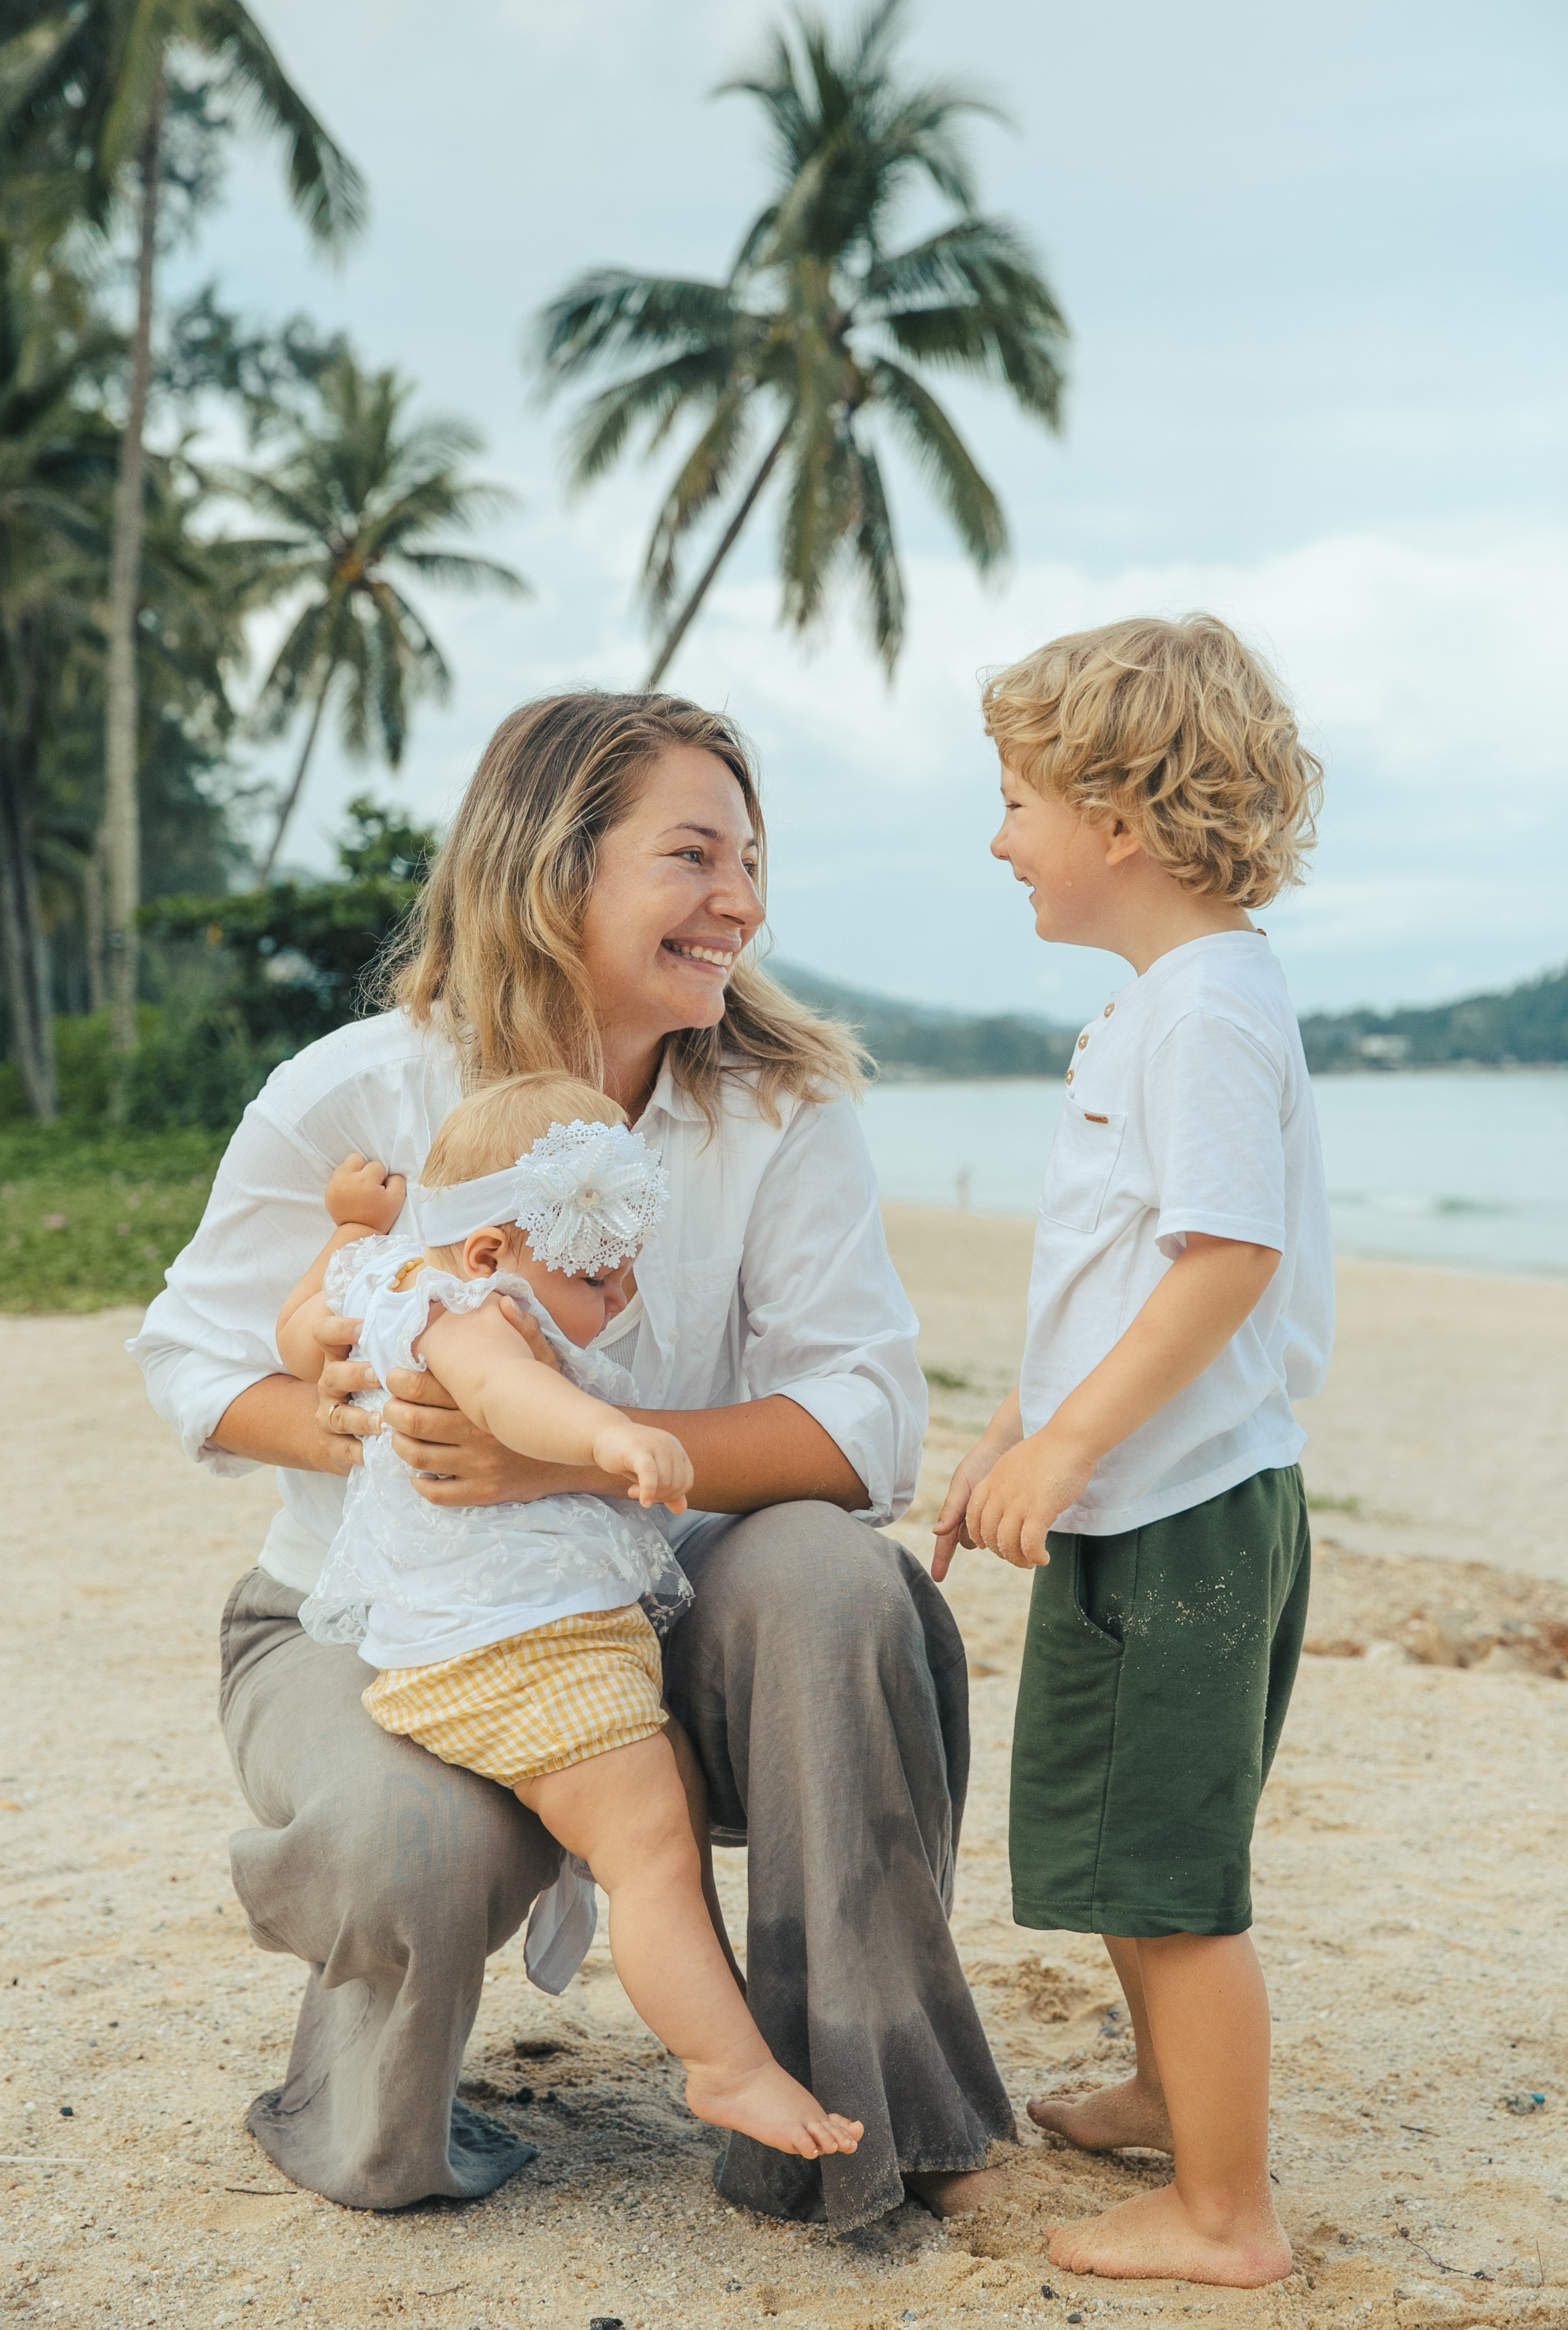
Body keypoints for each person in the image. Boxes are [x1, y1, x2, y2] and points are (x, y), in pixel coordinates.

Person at [131, 690, 1014, 2228]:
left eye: (749, 858)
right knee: (410, 1838)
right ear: (553, 869)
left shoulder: (777, 1109)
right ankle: (374, 2112)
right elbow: (194, 1362)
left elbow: (865, 1420)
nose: (738, 898)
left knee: (834, 1580)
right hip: (380, 1627)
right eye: (692, 854)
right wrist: (361, 1414)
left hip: (666, 1614)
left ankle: (860, 2116)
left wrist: (580, 1461)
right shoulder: (354, 1093)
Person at [933, 615, 1333, 2287]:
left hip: (1184, 1511)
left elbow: (1222, 1259)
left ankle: (1224, 2215)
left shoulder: (1204, 1012)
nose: (997, 833)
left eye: (1015, 798)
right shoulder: (1162, 1003)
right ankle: (1171, 2093)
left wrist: (1077, 1436)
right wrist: (1020, 1428)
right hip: (1140, 1492)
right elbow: (1117, 1271)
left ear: (1114, 817)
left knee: (1170, 1867)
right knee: (1118, 1829)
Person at [275, 1073, 863, 2162]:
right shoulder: (470, 1316)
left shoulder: (388, 1277)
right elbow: (509, 1400)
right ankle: (726, 2068)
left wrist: (351, 1231)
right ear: (494, 1251)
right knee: (651, 1852)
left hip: (478, 1640)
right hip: (521, 1650)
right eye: (598, 1270)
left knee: (660, 1811)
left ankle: (721, 2038)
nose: (620, 1292)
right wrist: (604, 1435)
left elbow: (302, 1329)